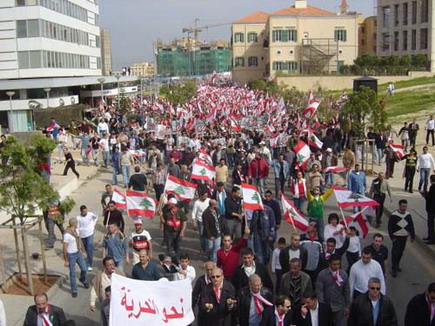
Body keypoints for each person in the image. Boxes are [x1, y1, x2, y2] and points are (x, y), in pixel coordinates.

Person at [316, 254, 350, 326]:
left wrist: (347, 306)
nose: (337, 266)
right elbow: (319, 292)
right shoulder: (322, 274)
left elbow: (347, 291)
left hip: (339, 306)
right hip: (326, 306)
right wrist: (322, 306)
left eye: (338, 264)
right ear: (330, 264)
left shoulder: (343, 275)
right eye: (334, 264)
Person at [388, 199, 415, 277]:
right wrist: (392, 237)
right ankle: (394, 269)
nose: (404, 208)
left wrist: (412, 235)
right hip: (396, 237)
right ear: (399, 206)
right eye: (403, 206)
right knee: (395, 252)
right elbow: (390, 227)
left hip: (404, 236)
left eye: (405, 206)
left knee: (400, 252)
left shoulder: (408, 215)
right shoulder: (394, 215)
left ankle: (397, 265)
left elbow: (411, 225)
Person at [62, 217, 89, 297]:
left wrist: (83, 251)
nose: (77, 224)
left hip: (78, 253)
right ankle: (74, 290)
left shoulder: (76, 231)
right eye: (76, 223)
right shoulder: (67, 235)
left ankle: (82, 279)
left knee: (84, 269)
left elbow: (79, 241)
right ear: (74, 224)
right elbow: (64, 249)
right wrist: (66, 260)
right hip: (71, 255)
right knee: (72, 273)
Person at [77, 205, 98, 271]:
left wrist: (93, 225)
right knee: (84, 250)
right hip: (82, 235)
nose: (85, 212)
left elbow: (96, 217)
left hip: (89, 234)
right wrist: (78, 235)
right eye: (83, 211)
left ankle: (89, 264)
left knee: (89, 248)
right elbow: (77, 227)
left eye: (86, 211)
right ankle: (85, 263)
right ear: (81, 211)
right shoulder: (78, 218)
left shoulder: (90, 214)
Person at [422, 174, 435, 244]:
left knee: (430, 224)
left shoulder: (432, 187)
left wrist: (425, 195)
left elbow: (431, 198)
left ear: (431, 180)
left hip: (431, 209)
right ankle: (430, 236)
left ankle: (432, 239)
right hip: (432, 209)